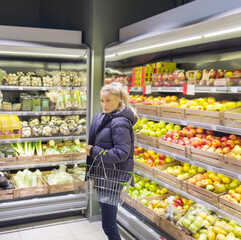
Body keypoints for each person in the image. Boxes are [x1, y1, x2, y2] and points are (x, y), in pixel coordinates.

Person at [86, 82, 137, 240]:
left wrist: (93, 151)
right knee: (108, 221)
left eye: (108, 100)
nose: (104, 104)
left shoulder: (119, 121)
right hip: (105, 175)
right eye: (102, 100)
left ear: (119, 100)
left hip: (112, 178)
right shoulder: (109, 118)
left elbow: (121, 153)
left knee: (108, 224)